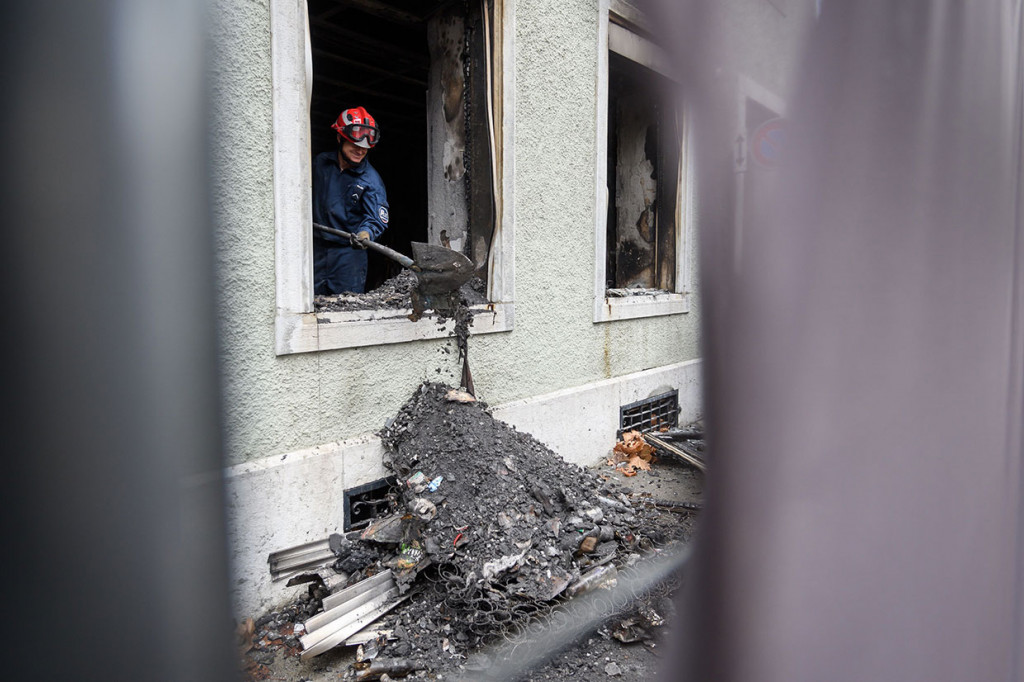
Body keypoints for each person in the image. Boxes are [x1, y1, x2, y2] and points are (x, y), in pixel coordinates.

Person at [312, 106, 390, 294]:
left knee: (346, 308)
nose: (360, 151)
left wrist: (366, 233)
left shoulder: (371, 181)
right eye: (354, 145)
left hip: (348, 255)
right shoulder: (319, 164)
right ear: (339, 138)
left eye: (364, 148)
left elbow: (376, 218)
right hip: (314, 248)